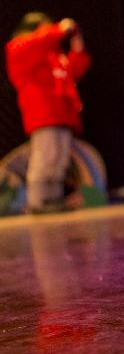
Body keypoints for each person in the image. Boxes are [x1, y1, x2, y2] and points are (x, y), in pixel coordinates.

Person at [5, 12, 91, 213]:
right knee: (44, 159)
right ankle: (37, 202)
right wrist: (60, 28)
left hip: (62, 116)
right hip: (43, 116)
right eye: (45, 27)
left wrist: (77, 44)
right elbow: (38, 41)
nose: (51, 30)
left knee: (58, 160)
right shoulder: (20, 48)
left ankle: (51, 201)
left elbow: (74, 70)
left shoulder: (52, 58)